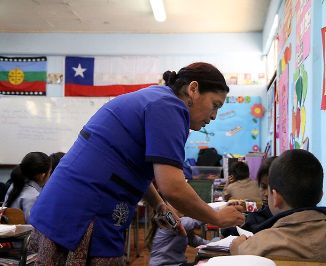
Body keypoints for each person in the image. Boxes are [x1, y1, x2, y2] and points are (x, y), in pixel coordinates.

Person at [29, 62, 245, 264]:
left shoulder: (158, 99)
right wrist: (217, 217)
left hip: (67, 203)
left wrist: (158, 204)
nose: (214, 116)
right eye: (215, 105)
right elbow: (173, 187)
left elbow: (131, 166)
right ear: (193, 89)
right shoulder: (170, 108)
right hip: (83, 209)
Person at [230, 149, 326, 262]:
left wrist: (237, 248)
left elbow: (241, 255)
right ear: (321, 194)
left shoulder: (256, 247)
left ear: (276, 197)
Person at [221, 156, 276, 237]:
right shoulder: (255, 184)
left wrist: (227, 183)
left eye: (272, 188)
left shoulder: (231, 187)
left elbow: (224, 197)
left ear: (233, 175)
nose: (266, 194)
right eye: (263, 187)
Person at [2, 152, 51, 223]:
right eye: (49, 172)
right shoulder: (34, 196)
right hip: (24, 233)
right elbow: (34, 226)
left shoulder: (13, 185)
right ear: (42, 175)